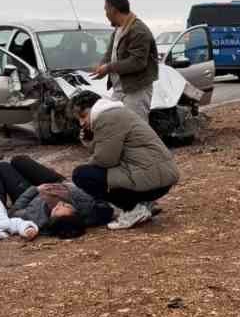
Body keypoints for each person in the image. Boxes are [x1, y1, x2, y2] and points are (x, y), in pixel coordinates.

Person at [69, 91, 180, 229]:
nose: (81, 122)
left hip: (153, 178)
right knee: (95, 172)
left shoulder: (106, 118)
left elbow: (106, 160)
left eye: (83, 116)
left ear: (94, 107)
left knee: (82, 175)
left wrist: (88, 163)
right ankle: (144, 204)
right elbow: (110, 153)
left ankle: (132, 209)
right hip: (161, 177)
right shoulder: (117, 112)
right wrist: (90, 141)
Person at [2, 155, 114, 239]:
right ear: (76, 212)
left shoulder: (36, 218)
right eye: (67, 205)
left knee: (3, 167)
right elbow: (105, 207)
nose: (59, 203)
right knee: (19, 160)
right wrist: (67, 186)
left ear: (50, 219)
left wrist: (35, 190)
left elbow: (13, 212)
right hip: (57, 183)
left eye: (56, 209)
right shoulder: (88, 209)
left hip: (31, 194)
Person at [91, 0, 159, 119]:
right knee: (116, 123)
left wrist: (108, 68)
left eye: (106, 10)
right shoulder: (119, 29)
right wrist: (101, 67)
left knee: (135, 126)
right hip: (119, 90)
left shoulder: (138, 31)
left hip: (136, 90)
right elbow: (110, 53)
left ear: (113, 10)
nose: (105, 14)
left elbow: (137, 62)